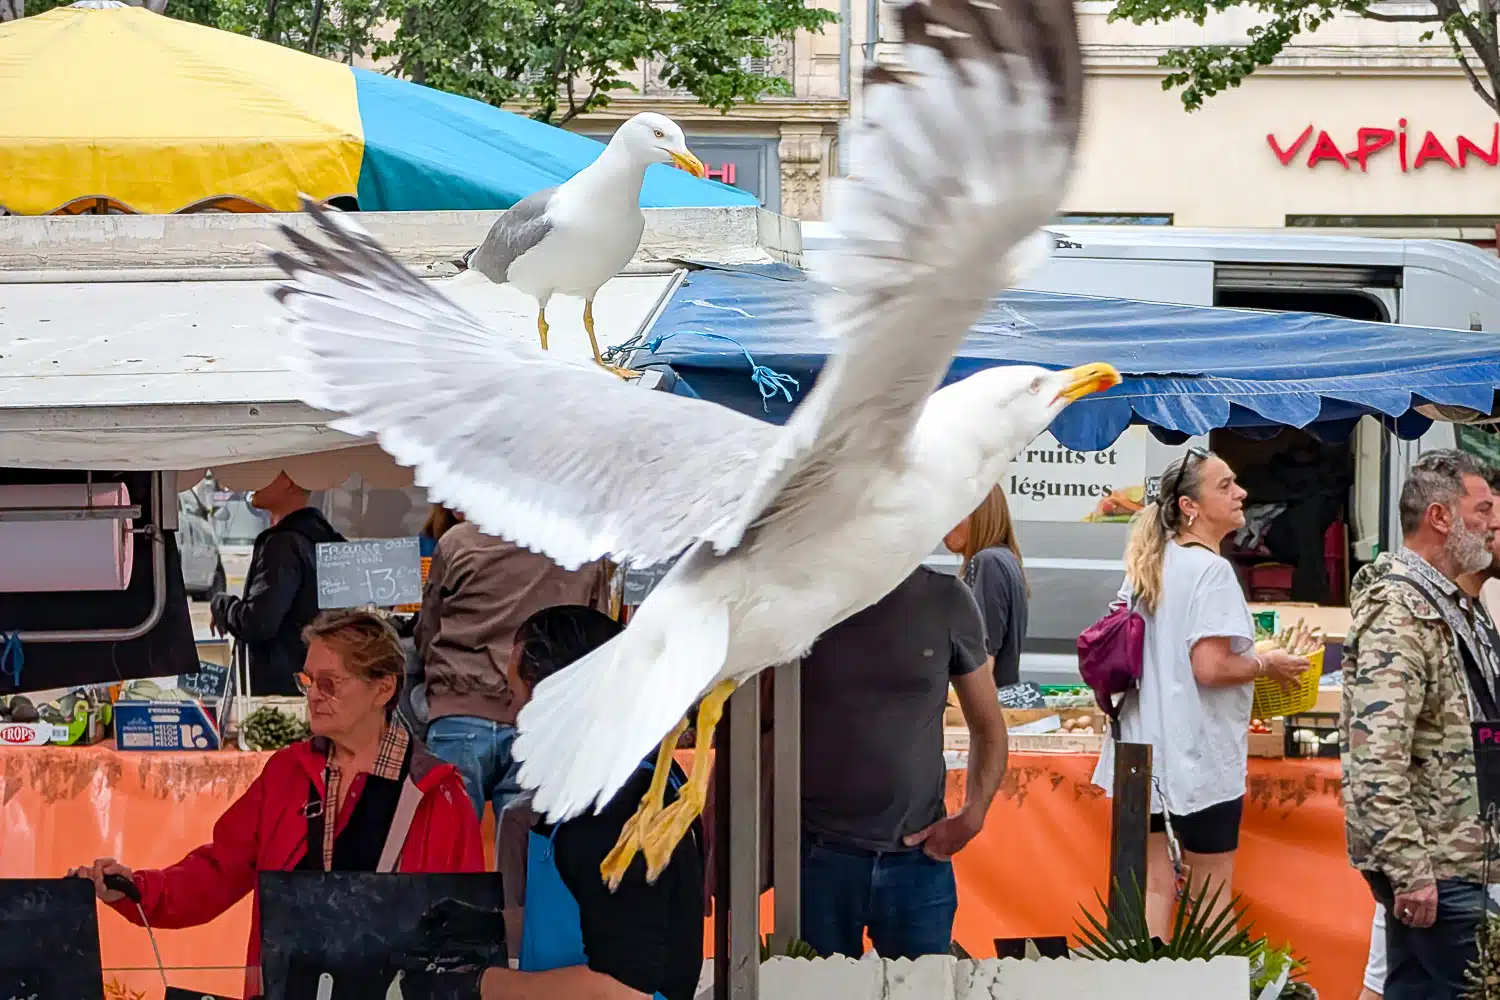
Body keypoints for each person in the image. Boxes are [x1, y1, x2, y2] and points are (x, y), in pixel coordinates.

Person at [71, 609, 484, 1000]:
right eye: (308, 682)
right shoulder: (286, 773)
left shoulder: (438, 794)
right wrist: (137, 890)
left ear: (384, 687)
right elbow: (217, 872)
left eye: (330, 683)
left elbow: (464, 936)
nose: (314, 697)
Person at [1091, 448, 1307, 939]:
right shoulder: (1211, 571)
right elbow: (1209, 668)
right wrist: (1265, 663)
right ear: (1190, 507)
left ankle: (1142, 987)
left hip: (1143, 755)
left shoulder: (1150, 563)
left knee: (1154, 889)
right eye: (1225, 485)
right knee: (1211, 895)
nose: (1241, 493)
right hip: (1199, 758)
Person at [476, 604, 704, 1000]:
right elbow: (591, 917)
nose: (512, 715)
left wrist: (482, 985)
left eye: (515, 697)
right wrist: (490, 926)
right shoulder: (615, 780)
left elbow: (625, 987)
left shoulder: (615, 806)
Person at [1342, 448, 1500, 1000]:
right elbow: (1375, 757)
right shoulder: (1400, 609)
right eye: (1481, 510)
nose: (1493, 523)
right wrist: (1410, 869)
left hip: (1460, 857)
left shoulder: (1452, 604)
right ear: (1440, 517)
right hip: (1441, 863)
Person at [796, 566, 1009, 961]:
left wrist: (973, 816)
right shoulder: (805, 597)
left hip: (918, 858)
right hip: (817, 855)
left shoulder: (945, 598)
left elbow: (989, 727)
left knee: (924, 989)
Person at [416, 516, 610, 821]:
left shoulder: (459, 541)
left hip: (461, 708)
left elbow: (426, 629)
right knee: (524, 849)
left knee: (447, 848)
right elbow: (593, 636)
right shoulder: (583, 547)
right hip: (540, 716)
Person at [210, 472, 344, 695]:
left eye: (268, 471)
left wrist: (223, 605)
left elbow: (258, 623)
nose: (253, 481)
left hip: (279, 691)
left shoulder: (282, 544)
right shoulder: (327, 539)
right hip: (319, 684)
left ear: (290, 481)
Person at [944, 484, 1030, 688]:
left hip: (985, 706)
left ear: (981, 514)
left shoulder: (987, 562)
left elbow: (981, 658)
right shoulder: (1005, 558)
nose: (944, 524)